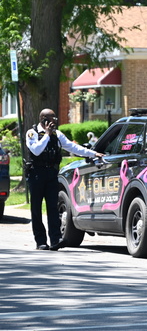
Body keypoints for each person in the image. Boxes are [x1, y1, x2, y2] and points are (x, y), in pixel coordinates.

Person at [26, 108, 104, 251]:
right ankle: (41, 241)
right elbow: (36, 150)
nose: (54, 121)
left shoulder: (58, 134)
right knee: (36, 208)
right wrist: (47, 135)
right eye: (51, 119)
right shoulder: (32, 133)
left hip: (51, 173)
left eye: (55, 118)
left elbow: (73, 147)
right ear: (43, 119)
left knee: (53, 207)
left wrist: (93, 154)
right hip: (36, 174)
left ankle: (55, 240)